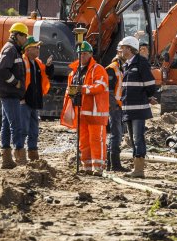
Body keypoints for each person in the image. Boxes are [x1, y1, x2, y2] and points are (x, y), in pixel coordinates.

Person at [60, 41, 109, 175]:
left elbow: (100, 86)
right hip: (80, 112)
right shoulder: (74, 72)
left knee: (96, 140)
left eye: (85, 53)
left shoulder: (98, 69)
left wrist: (83, 89)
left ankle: (98, 167)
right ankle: (87, 166)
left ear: (91, 54)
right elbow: (69, 90)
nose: (82, 56)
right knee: (84, 141)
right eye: (80, 54)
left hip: (95, 112)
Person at [118, 35, 158, 178]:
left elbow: (150, 84)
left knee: (138, 138)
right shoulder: (127, 64)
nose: (121, 50)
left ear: (129, 48)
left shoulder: (141, 62)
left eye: (123, 48)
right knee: (132, 138)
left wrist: (147, 97)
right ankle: (136, 168)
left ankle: (139, 170)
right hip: (129, 108)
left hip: (139, 109)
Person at [0, 22, 30, 168]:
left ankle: (7, 160)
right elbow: (2, 70)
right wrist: (15, 82)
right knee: (16, 125)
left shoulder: (13, 50)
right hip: (10, 94)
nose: (26, 40)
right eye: (24, 36)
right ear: (17, 36)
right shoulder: (10, 49)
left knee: (6, 125)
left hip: (9, 94)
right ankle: (20, 158)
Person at [21, 36, 54, 161]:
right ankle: (20, 153)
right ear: (28, 50)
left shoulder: (38, 63)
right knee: (23, 129)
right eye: (35, 47)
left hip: (34, 101)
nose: (38, 49)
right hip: (24, 101)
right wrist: (21, 98)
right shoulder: (23, 62)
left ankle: (33, 153)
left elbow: (48, 74)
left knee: (34, 130)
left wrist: (49, 65)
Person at [105, 55, 125, 172]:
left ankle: (110, 163)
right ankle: (114, 164)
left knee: (116, 135)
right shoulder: (112, 69)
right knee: (116, 135)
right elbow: (108, 90)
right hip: (114, 107)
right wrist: (114, 106)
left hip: (117, 105)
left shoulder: (120, 68)